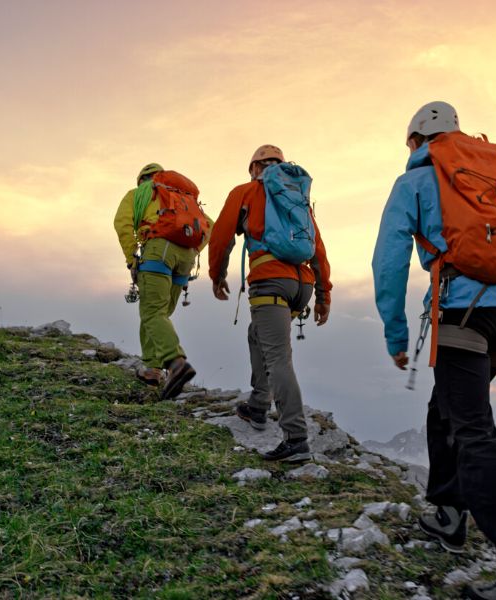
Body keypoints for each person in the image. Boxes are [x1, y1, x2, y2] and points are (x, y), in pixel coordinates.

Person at [372, 102, 496, 600]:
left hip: (463, 313)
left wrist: (395, 334)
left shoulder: (413, 183)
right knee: (447, 410)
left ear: (415, 142)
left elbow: (388, 260)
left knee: (471, 430)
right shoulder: (490, 185)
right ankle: (449, 512)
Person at [208, 145, 332, 462]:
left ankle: (296, 438)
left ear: (254, 168)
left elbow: (221, 236)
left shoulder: (247, 191)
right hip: (300, 284)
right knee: (257, 335)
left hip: (269, 280)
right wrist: (322, 294)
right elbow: (317, 248)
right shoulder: (298, 199)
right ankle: (259, 406)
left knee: (278, 357)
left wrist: (216, 274)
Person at [113, 163, 211, 399]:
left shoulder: (138, 194)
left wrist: (131, 259)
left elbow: (122, 224)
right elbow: (210, 225)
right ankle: (152, 371)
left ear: (141, 180)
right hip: (186, 256)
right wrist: (193, 251)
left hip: (158, 248)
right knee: (160, 314)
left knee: (152, 312)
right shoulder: (182, 197)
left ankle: (176, 364)